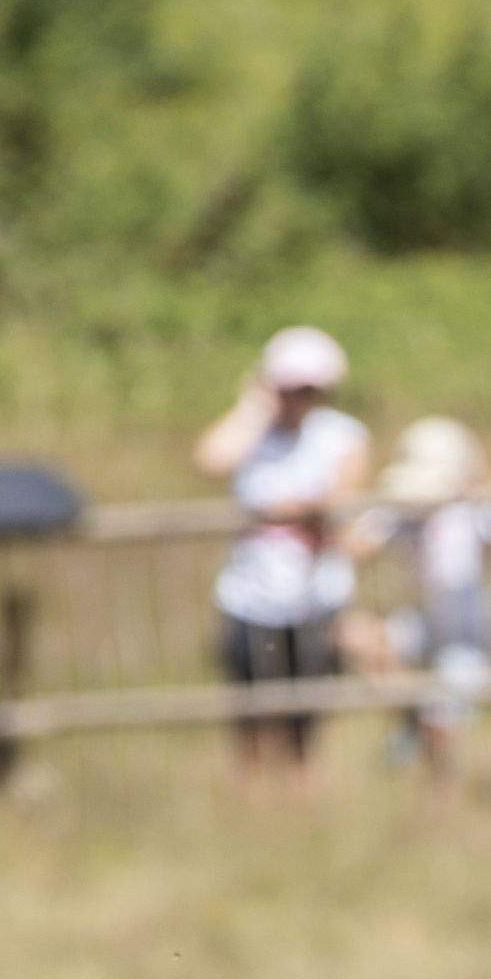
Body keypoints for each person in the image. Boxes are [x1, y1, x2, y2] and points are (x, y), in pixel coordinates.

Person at [193, 326, 371, 785]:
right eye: (291, 386)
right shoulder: (252, 432)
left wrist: (284, 510)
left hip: (316, 597)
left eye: (309, 388)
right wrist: (254, 407)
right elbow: (212, 460)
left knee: (304, 722)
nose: (299, 397)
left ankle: (298, 805)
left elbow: (339, 500)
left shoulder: (342, 435)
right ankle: (253, 811)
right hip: (250, 597)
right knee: (250, 717)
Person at [354, 416, 491, 779]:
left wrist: (481, 490)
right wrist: (396, 507)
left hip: (467, 626)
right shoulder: (401, 509)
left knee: (446, 729)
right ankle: (416, 718)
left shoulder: (476, 512)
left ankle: (441, 799)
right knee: (358, 638)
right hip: (419, 619)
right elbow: (356, 545)